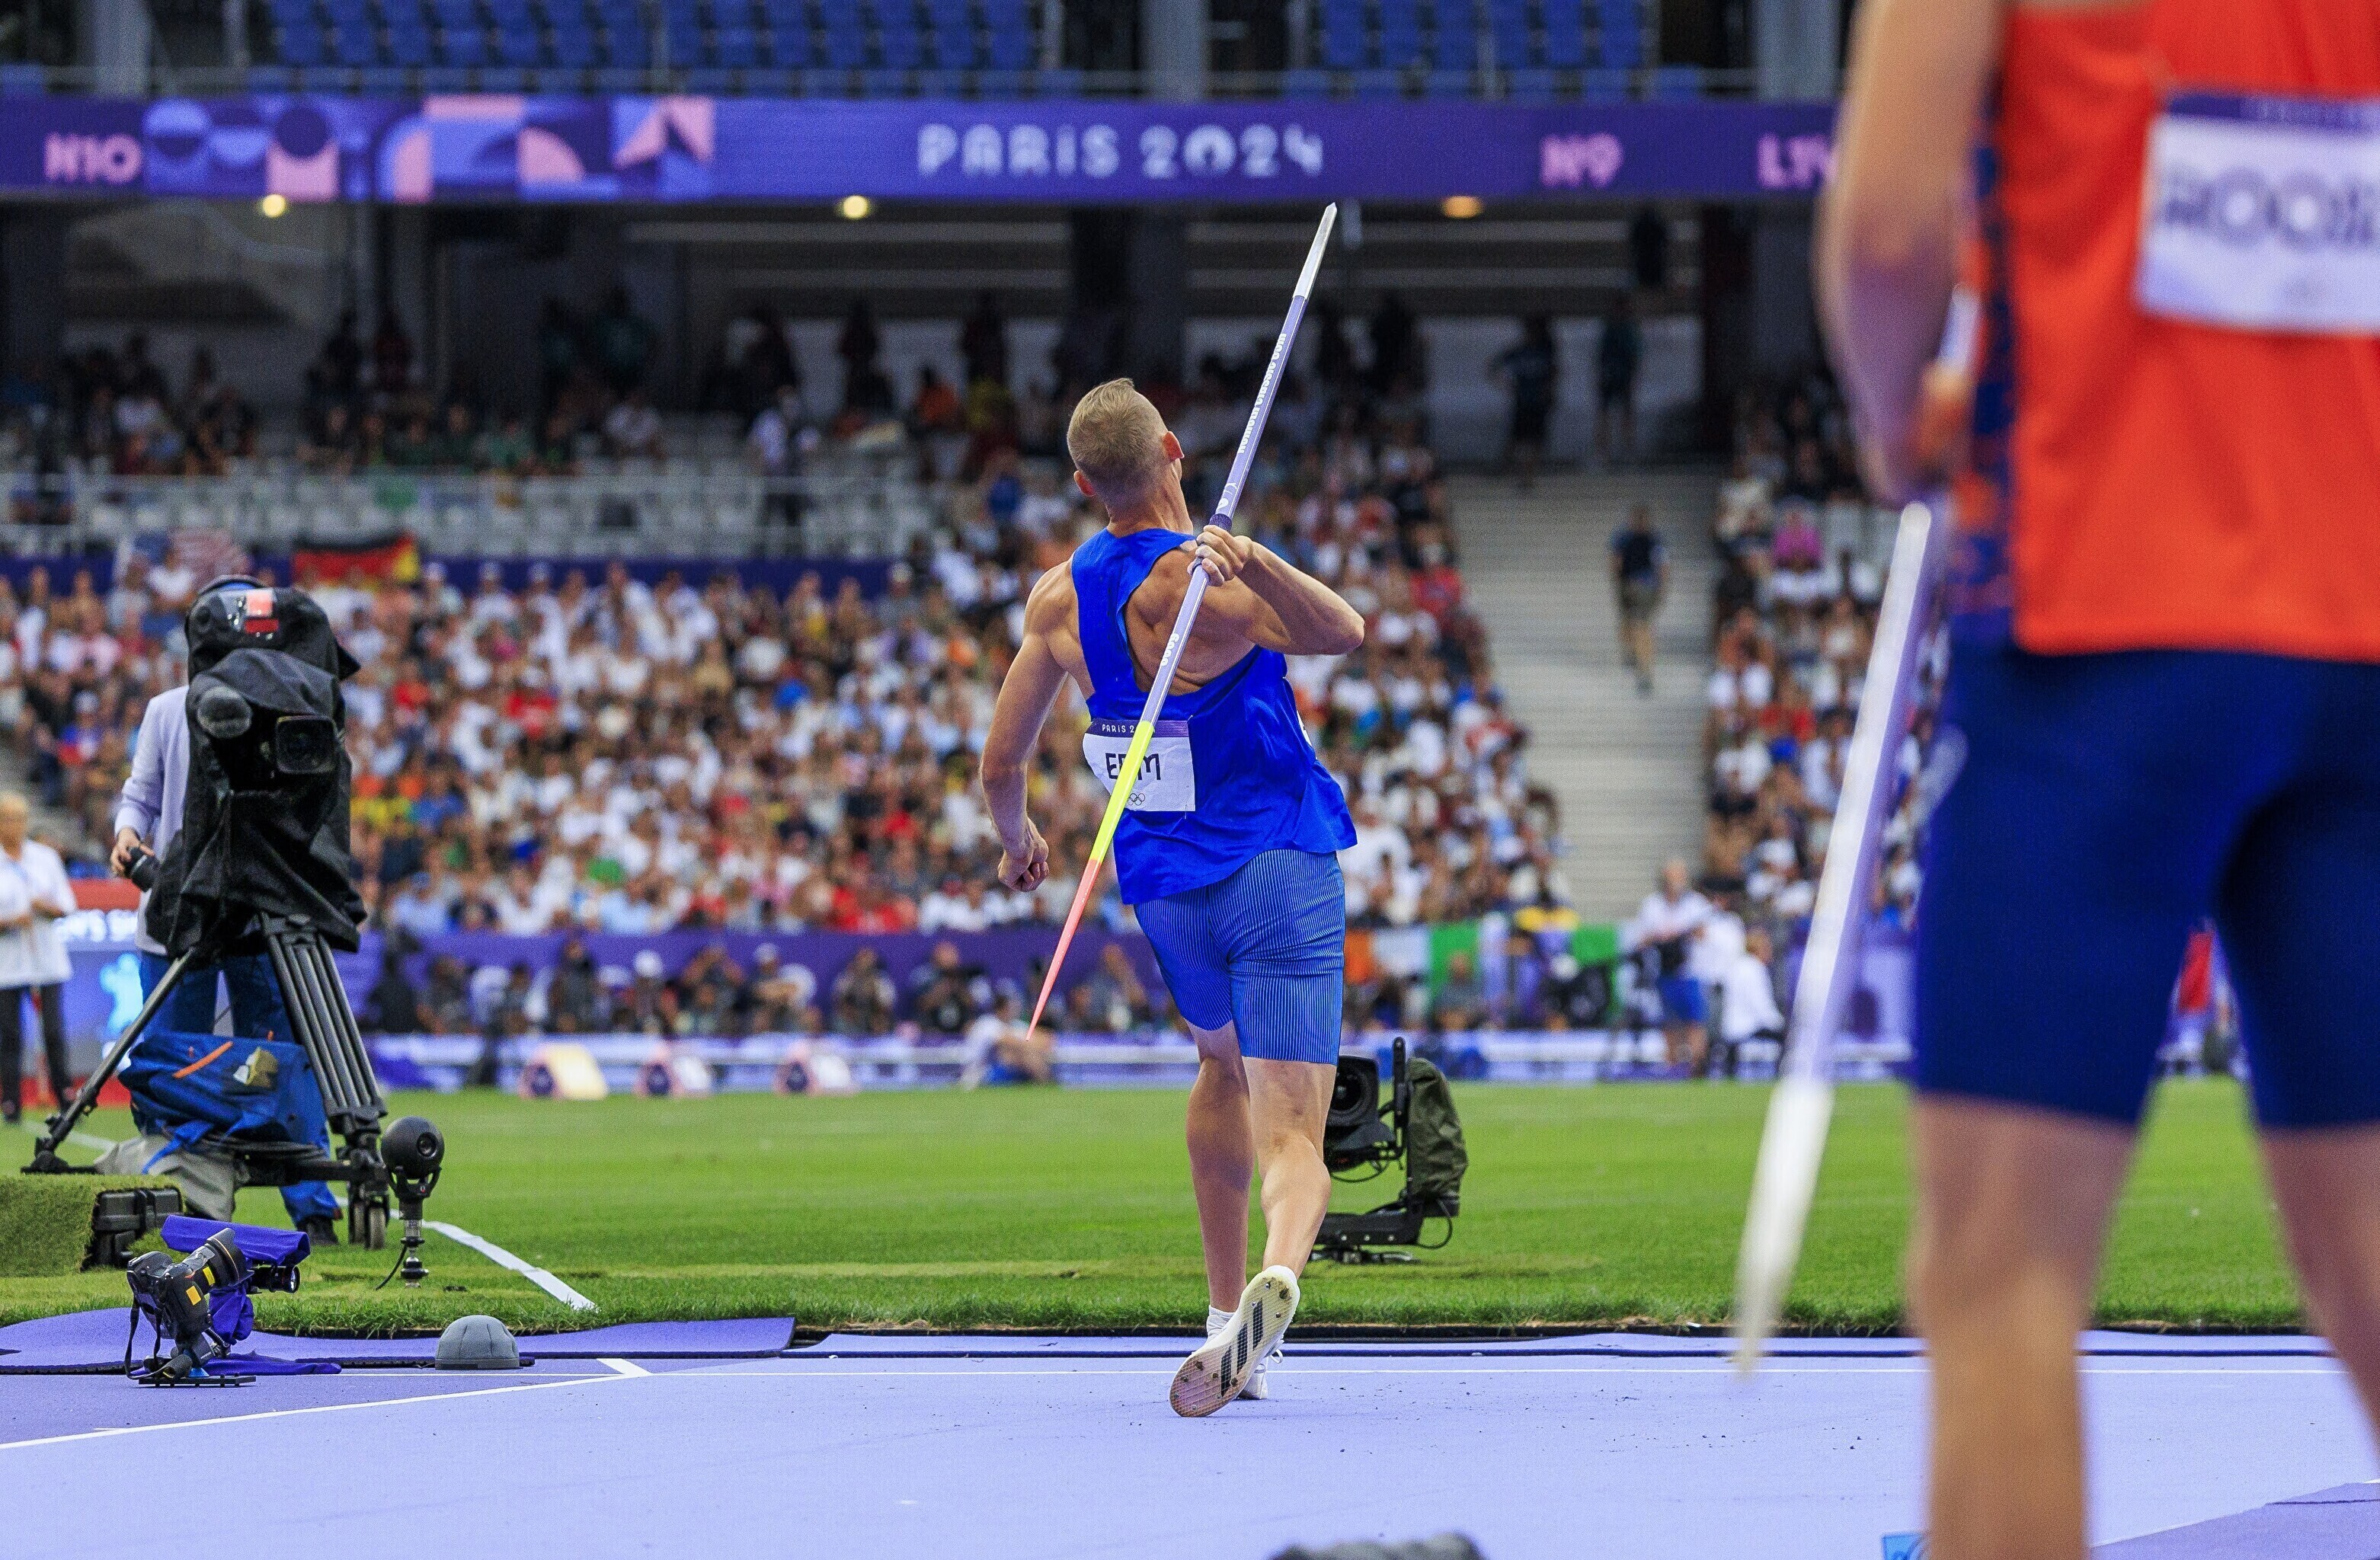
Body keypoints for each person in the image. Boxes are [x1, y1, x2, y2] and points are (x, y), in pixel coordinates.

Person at [1822, 1, 2380, 1556]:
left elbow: (1884, 228)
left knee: (1997, 1273)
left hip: (2099, 626)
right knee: (2361, 1257)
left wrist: (1892, 425)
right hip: (2354, 627)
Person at [979, 378, 1364, 1417]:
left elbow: (1001, 763)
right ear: (1174, 452)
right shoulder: (1209, 591)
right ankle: (1278, 1275)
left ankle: (1221, 1313)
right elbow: (1343, 629)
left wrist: (1018, 842)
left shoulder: (1056, 599)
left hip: (1163, 885)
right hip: (1274, 860)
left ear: (1083, 484)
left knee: (1217, 1065)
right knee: (1293, 1129)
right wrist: (1257, 559)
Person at [107, 580, 341, 1240]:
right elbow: (141, 794)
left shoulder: (293, 707)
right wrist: (127, 834)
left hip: (262, 911)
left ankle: (312, 1205)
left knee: (283, 1057)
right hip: (180, 910)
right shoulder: (166, 710)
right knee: (169, 1060)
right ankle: (171, 1193)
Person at [0, 793, 75, 1125]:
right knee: (9, 1035)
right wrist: (9, 921)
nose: (15, 826)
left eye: (20, 818)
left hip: (46, 960)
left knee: (53, 1032)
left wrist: (47, 908)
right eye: (8, 819)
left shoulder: (45, 858)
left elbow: (67, 904)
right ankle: (11, 1104)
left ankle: (66, 1098)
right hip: (7, 963)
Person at [1627, 859, 1709, 1075]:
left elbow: (1702, 934)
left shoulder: (1695, 903)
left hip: (1690, 971)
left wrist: (1679, 933)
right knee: (1669, 1023)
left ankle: (1697, 1068)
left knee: (1694, 1022)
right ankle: (1672, 1067)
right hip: (1664, 972)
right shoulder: (1652, 905)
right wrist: (1660, 936)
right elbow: (1641, 939)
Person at [1492, 315, 1558, 492]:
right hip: (1522, 402)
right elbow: (1494, 366)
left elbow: (1554, 374)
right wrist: (1505, 384)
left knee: (1536, 441)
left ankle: (1528, 477)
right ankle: (1509, 471)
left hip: (1538, 403)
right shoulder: (1519, 351)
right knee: (1518, 439)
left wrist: (1550, 393)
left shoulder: (1546, 352)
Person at [1611, 503, 1666, 695]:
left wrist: (1660, 588)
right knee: (1629, 622)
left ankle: (1644, 670)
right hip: (1631, 586)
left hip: (1643, 587)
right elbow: (1616, 561)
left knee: (1641, 626)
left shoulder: (1653, 540)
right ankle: (1633, 653)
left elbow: (1662, 565)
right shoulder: (1625, 538)